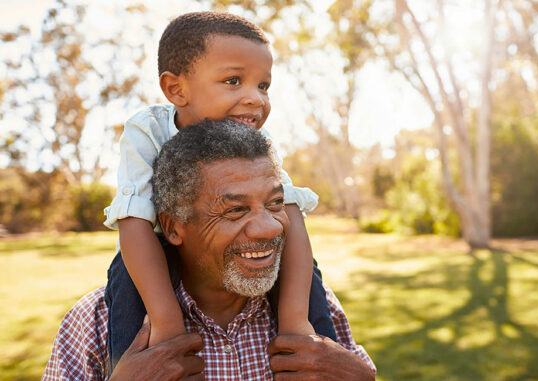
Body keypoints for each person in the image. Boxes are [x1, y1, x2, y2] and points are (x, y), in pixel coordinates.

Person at [43, 120, 376, 380]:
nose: (271, 227)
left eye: (276, 204)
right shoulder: (96, 322)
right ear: (173, 226)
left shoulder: (315, 306)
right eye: (235, 210)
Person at [101, 11, 335, 372]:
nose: (255, 98)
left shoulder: (260, 142)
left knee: (309, 276)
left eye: (263, 85)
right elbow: (133, 221)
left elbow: (290, 214)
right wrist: (166, 323)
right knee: (125, 287)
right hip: (153, 249)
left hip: (236, 256)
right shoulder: (148, 131)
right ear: (176, 89)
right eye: (233, 81)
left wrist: (295, 321)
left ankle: (317, 364)